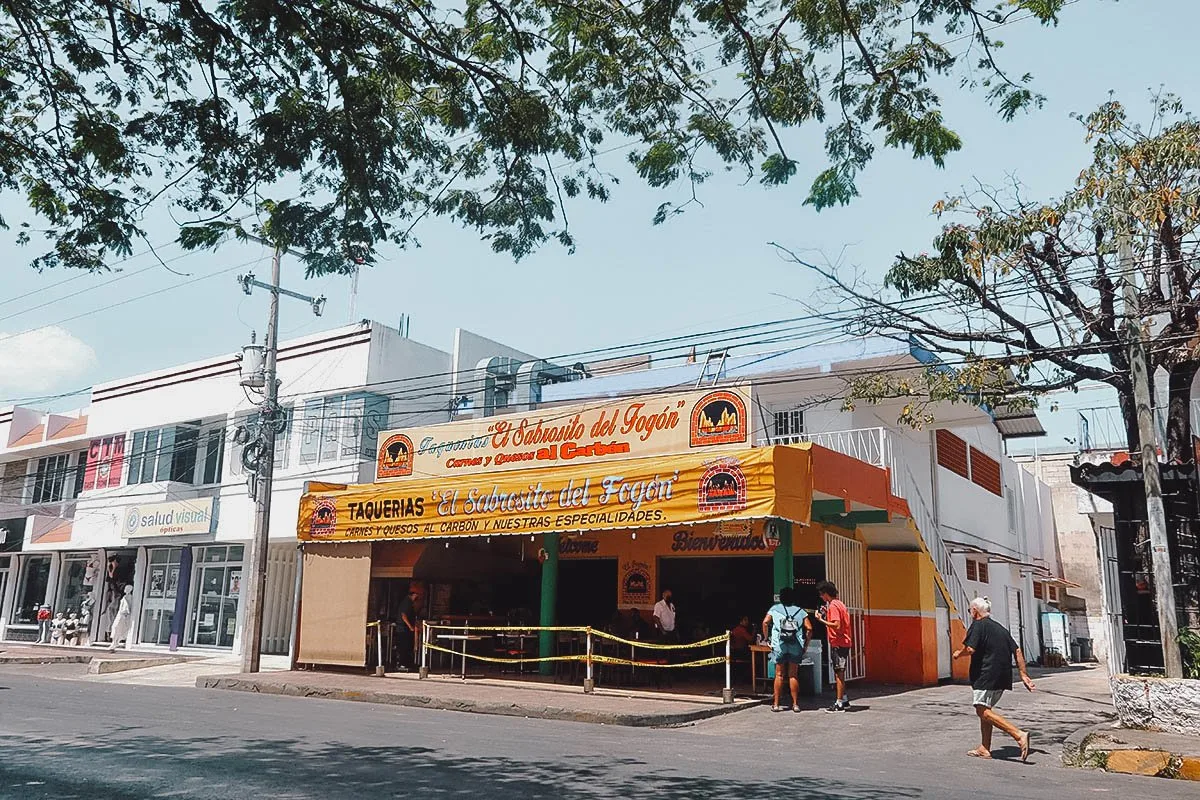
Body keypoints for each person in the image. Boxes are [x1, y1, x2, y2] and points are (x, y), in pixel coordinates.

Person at [953, 597, 1036, 761]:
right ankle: (985, 748)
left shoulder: (978, 625)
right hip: (1002, 676)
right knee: (986, 709)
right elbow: (1017, 651)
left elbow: (970, 648)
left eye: (970, 611)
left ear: (975, 611)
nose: (970, 613)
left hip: (986, 674)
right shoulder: (1000, 628)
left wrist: (958, 653)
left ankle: (1018, 734)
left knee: (981, 709)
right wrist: (1024, 674)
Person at [762, 587, 812, 713]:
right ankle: (795, 704)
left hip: (779, 645)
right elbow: (809, 628)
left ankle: (776, 704)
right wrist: (805, 644)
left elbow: (765, 622)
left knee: (779, 674)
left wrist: (767, 638)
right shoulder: (800, 611)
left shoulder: (775, 609)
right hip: (796, 645)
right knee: (793, 675)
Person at [814, 580, 854, 712]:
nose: (821, 597)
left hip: (839, 643)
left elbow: (836, 625)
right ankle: (844, 699)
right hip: (843, 642)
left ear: (826, 594)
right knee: (840, 672)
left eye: (821, 594)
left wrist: (821, 620)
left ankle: (839, 703)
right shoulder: (839, 604)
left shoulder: (833, 606)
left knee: (839, 673)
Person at [396, 587, 420, 671]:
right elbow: (404, 615)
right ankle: (402, 664)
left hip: (405, 629)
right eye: (416, 596)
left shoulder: (409, 603)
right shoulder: (406, 603)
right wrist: (410, 627)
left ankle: (407, 663)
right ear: (413, 595)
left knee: (407, 646)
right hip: (403, 629)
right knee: (404, 646)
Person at [108, 585, 133, 652]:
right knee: (115, 627)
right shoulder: (125, 597)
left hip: (124, 615)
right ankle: (115, 641)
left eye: (126, 588)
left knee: (120, 627)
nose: (124, 589)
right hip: (120, 614)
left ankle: (118, 642)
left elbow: (127, 607)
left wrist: (125, 613)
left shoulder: (129, 597)